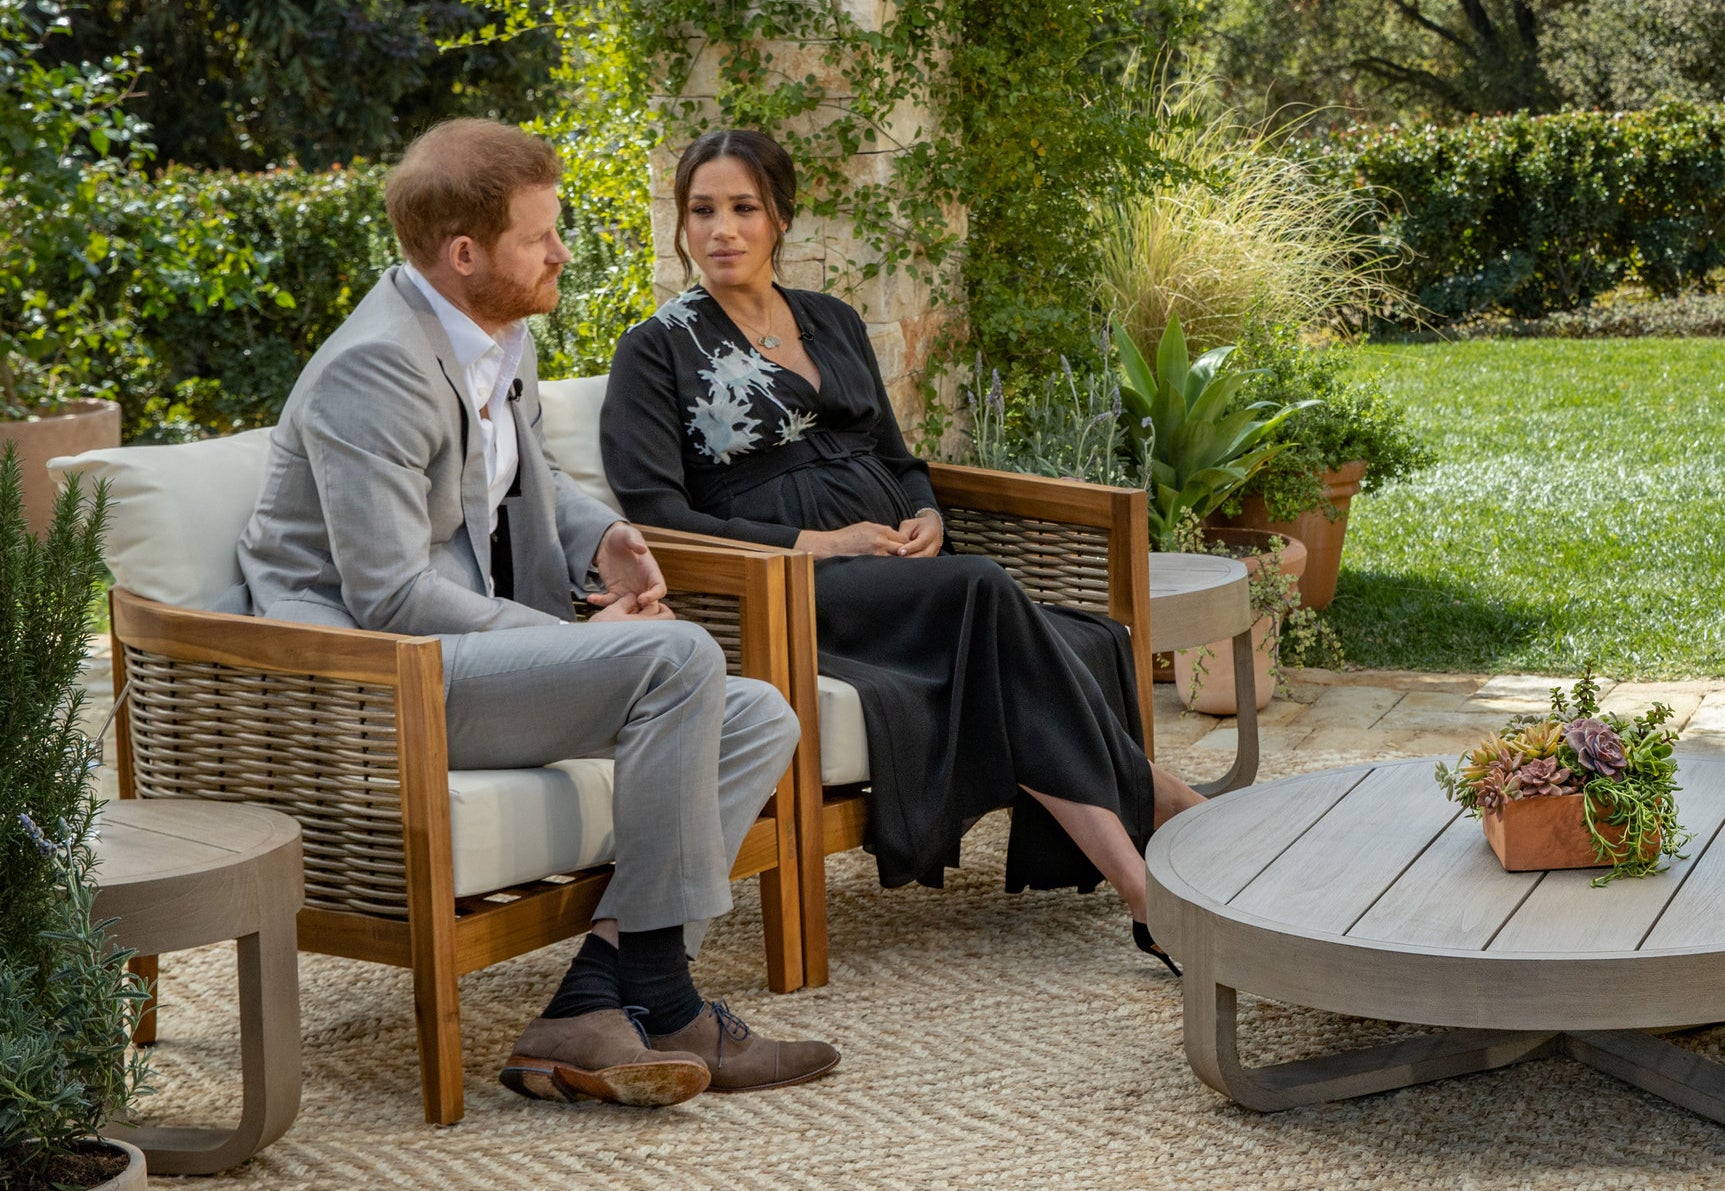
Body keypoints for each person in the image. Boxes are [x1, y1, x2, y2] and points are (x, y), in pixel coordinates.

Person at [231, 118, 839, 1106]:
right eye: (540, 236)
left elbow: (530, 474)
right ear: (465, 254)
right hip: (375, 683)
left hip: (453, 654)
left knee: (760, 715)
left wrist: (602, 538)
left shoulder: (494, 332)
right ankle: (669, 1003)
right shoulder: (373, 370)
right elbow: (388, 595)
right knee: (677, 658)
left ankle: (590, 1002)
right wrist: (574, 639)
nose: (563, 252)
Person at [600, 129, 1207, 975]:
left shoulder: (832, 319)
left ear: (779, 216)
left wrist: (922, 511)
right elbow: (657, 514)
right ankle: (1158, 833)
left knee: (1003, 625)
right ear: (681, 221)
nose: (721, 230)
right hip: (790, 592)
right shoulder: (656, 349)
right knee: (985, 592)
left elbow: (895, 455)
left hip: (899, 571)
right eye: (702, 210)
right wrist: (816, 543)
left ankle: (1154, 877)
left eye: (743, 208)